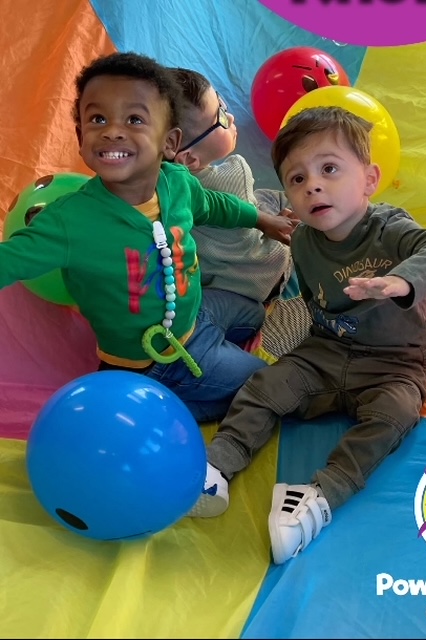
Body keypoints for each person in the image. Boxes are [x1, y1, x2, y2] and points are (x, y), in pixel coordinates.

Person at [191, 106, 426, 564]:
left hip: (394, 362)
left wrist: (401, 282)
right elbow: (305, 297)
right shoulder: (301, 241)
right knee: (263, 386)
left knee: (395, 414)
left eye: (329, 169)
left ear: (369, 179)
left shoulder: (389, 229)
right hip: (325, 350)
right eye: (297, 179)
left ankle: (319, 497)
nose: (312, 185)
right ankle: (217, 467)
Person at [0, 51, 290, 429]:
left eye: (135, 119)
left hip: (194, 315)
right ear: (79, 136)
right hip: (156, 359)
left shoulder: (177, 182)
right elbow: (10, 260)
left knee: (251, 314)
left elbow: (216, 206)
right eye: (97, 118)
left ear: (169, 142)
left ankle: (206, 365)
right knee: (273, 386)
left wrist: (263, 220)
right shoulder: (69, 222)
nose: (113, 131)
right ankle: (158, 407)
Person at [170, 66, 312, 357]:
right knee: (276, 200)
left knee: (264, 201)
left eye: (222, 104)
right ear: (189, 159)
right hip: (265, 274)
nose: (230, 117)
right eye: (220, 117)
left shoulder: (158, 192)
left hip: (219, 279)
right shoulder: (235, 172)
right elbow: (249, 216)